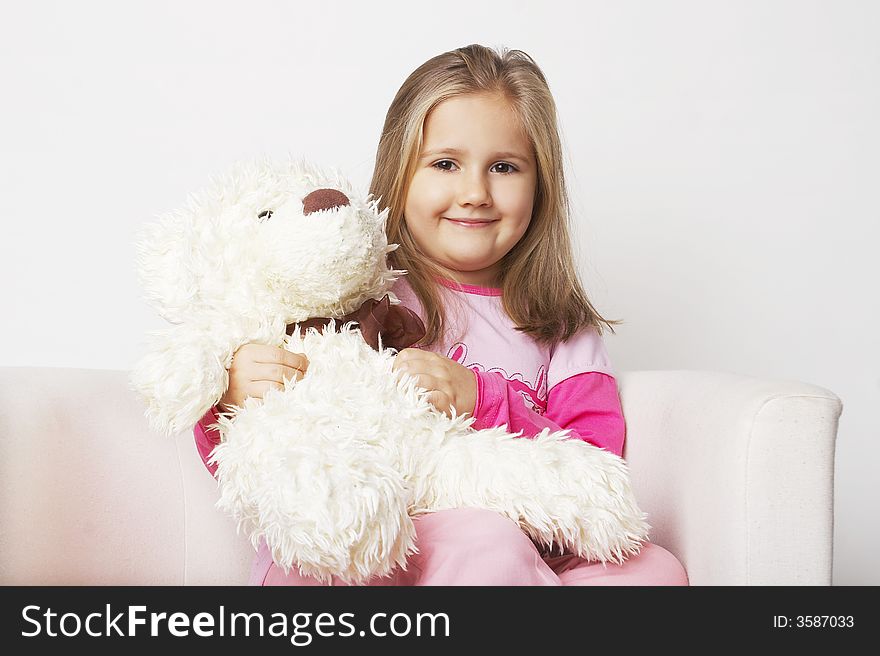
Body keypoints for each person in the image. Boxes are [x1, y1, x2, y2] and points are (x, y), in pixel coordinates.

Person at [194, 44, 688, 586]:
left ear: (540, 186)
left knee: (653, 571)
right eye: (446, 164)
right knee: (485, 542)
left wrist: (484, 401)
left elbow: (594, 465)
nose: (474, 193)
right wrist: (233, 392)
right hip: (373, 547)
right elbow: (261, 449)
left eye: (503, 167)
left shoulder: (561, 327)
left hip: (526, 548)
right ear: (400, 172)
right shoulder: (352, 293)